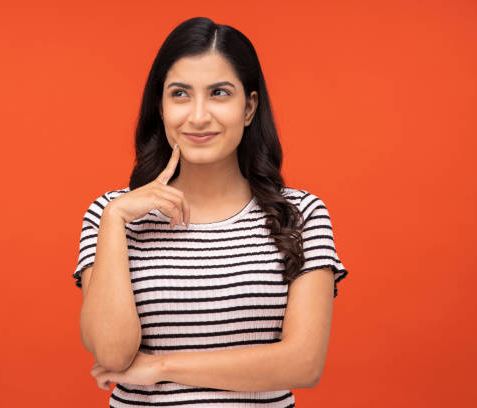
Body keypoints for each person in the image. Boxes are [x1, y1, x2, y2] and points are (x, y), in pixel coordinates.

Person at [73, 16, 349, 408]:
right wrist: (116, 221)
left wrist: (161, 366)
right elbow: (112, 355)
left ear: (249, 107)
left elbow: (304, 364)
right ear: (162, 106)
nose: (198, 116)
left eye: (219, 93)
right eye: (180, 94)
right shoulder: (110, 214)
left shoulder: (300, 213)